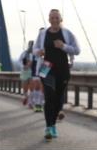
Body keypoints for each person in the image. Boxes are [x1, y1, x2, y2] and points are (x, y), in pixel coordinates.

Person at [32, 9, 81, 140]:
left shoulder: (67, 33)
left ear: (61, 19)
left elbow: (77, 50)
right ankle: (49, 127)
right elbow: (34, 49)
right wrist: (39, 51)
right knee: (49, 96)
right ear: (49, 19)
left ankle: (53, 125)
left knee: (58, 98)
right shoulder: (43, 34)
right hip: (46, 68)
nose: (54, 20)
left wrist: (63, 46)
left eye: (57, 18)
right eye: (52, 18)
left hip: (63, 69)